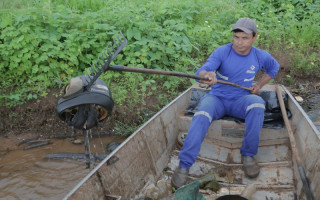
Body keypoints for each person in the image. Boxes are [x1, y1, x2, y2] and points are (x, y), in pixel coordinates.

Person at [171, 18, 280, 188]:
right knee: (201, 115)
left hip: (241, 100)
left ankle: (248, 155)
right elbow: (202, 70)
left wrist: (259, 85)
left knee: (258, 105)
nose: (239, 42)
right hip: (217, 99)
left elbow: (274, 68)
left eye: (245, 38)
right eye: (236, 37)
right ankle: (184, 166)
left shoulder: (260, 56)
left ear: (254, 38)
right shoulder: (223, 52)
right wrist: (207, 75)